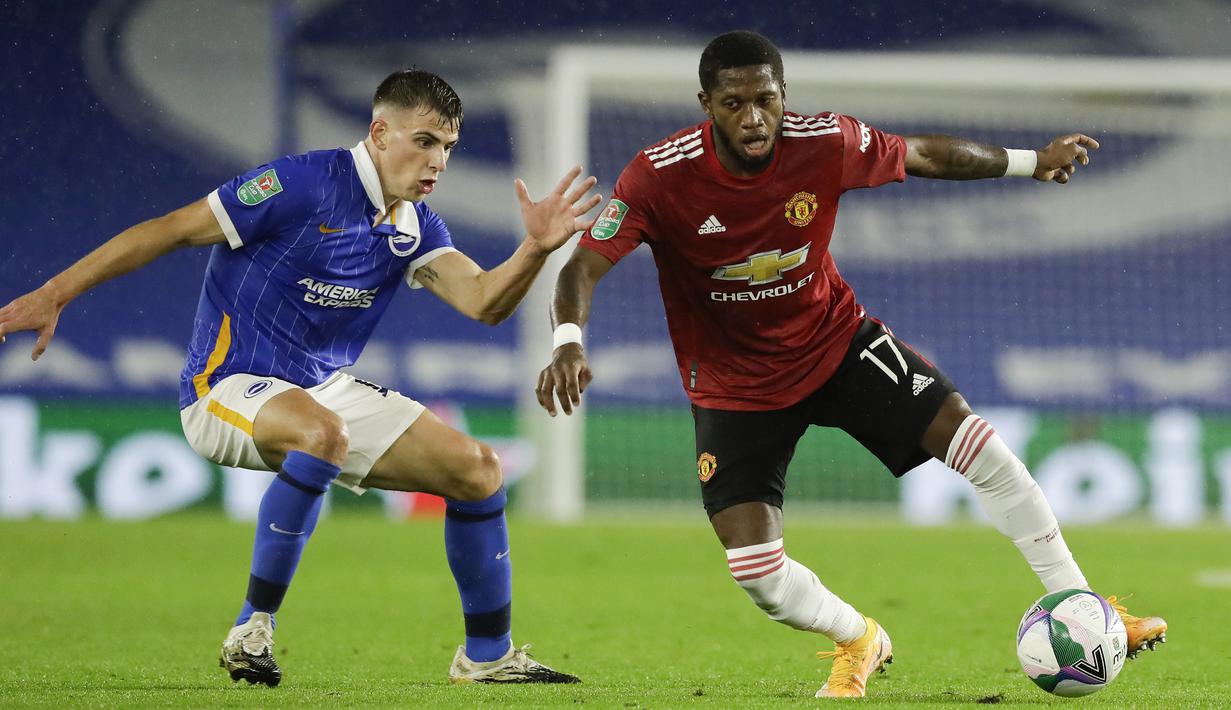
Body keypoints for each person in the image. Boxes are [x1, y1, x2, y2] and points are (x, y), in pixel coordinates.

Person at [535, 31, 1167, 698]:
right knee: (756, 574)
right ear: (706, 104)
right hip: (735, 387)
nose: (753, 118)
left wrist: (1030, 160)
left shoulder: (825, 143)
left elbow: (925, 154)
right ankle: (859, 637)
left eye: (766, 100)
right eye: (734, 103)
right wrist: (568, 341)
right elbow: (582, 264)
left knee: (985, 453)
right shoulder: (658, 175)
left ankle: (1085, 609)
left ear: (783, 97)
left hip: (836, 344)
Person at [0, 68, 599, 688]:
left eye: (447, 147)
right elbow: (170, 229)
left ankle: (487, 656)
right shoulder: (299, 184)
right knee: (322, 433)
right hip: (225, 385)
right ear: (379, 131)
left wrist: (535, 250)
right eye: (424, 141)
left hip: (321, 391)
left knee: (478, 470)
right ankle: (252, 628)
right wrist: (54, 293)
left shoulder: (416, 224)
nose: (437, 161)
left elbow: (483, 303)